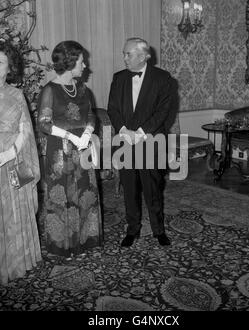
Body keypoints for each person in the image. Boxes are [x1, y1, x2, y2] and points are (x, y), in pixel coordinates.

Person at [37, 40, 102, 257]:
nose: (85, 66)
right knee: (62, 196)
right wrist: (69, 135)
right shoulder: (50, 90)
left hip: (83, 149)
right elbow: (43, 123)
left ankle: (84, 242)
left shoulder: (83, 89)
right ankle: (63, 245)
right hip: (60, 152)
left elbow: (91, 115)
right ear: (71, 62)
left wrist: (86, 133)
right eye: (82, 62)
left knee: (85, 193)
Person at [0, 41, 41, 285]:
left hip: (13, 160)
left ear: (10, 68)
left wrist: (9, 154)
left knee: (14, 209)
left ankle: (13, 262)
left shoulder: (17, 95)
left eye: (0, 62)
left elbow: (25, 129)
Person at [108, 37, 172, 247]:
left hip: (151, 141)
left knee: (153, 188)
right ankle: (132, 229)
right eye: (124, 54)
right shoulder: (119, 78)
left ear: (144, 56)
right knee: (129, 189)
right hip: (125, 140)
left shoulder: (163, 78)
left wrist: (142, 132)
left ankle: (158, 230)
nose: (124, 58)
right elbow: (113, 109)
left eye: (129, 54)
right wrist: (125, 130)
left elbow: (163, 111)